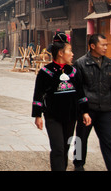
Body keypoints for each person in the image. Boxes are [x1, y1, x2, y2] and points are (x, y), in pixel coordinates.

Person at [32, 31, 91, 171]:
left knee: (65, 147)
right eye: (69, 51)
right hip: (53, 116)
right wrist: (37, 115)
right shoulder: (45, 72)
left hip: (71, 116)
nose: (72, 54)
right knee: (58, 148)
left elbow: (80, 93)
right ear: (60, 53)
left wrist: (85, 112)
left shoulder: (74, 72)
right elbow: (38, 95)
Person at [73, 33, 111, 171]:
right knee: (81, 138)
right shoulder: (80, 63)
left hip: (105, 109)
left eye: (107, 45)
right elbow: (77, 89)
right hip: (87, 109)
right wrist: (82, 110)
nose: (106, 47)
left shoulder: (110, 63)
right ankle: (78, 164)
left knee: (109, 140)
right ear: (93, 46)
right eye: (103, 45)